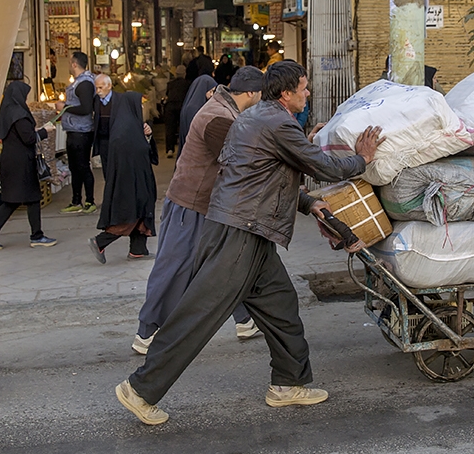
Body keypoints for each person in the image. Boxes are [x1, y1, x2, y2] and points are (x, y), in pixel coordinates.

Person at [115, 61, 384, 426]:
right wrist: (363, 159)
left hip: (252, 231)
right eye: (304, 88)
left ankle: (289, 383)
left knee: (281, 306)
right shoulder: (276, 123)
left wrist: (307, 203)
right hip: (239, 231)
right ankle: (141, 389)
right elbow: (321, 166)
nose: (308, 94)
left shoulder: (260, 117)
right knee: (200, 313)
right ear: (287, 94)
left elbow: (267, 173)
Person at [132, 67, 265, 355]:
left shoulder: (224, 110)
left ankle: (243, 319)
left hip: (207, 206)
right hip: (189, 206)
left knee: (227, 264)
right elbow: (241, 161)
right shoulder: (217, 117)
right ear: (253, 93)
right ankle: (147, 331)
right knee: (173, 267)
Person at [0, 81, 57, 251]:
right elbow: (28, 138)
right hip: (22, 162)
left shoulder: (6, 111)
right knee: (20, 199)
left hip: (10, 160)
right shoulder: (19, 114)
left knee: (24, 198)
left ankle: (33, 234)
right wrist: (45, 131)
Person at [89, 92, 157, 264]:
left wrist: (148, 136)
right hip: (130, 183)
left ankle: (138, 249)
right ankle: (101, 241)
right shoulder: (124, 132)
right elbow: (138, 152)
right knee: (132, 214)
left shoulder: (131, 127)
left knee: (141, 212)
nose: (142, 107)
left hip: (137, 180)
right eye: (139, 104)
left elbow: (146, 151)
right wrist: (145, 139)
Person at [57, 52, 96, 214]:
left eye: (69, 63)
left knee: (83, 166)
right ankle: (76, 200)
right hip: (73, 130)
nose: (68, 66)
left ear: (74, 64)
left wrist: (64, 107)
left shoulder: (84, 84)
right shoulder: (78, 83)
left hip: (82, 132)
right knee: (74, 167)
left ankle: (89, 200)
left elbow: (86, 108)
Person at [177, 74, 216, 152]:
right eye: (210, 91)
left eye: (213, 91)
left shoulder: (192, 105)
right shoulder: (194, 108)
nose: (212, 95)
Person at [91, 73, 115, 178]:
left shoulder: (118, 100)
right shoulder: (95, 100)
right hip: (103, 140)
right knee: (106, 168)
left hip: (115, 139)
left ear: (109, 86)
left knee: (116, 167)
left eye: (101, 87)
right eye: (96, 88)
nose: (98, 91)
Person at [163, 65, 188, 159]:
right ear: (184, 74)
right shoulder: (187, 84)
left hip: (170, 107)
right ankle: (183, 148)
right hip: (182, 107)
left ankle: (170, 149)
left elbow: (167, 94)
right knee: (183, 127)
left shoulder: (170, 84)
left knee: (170, 128)